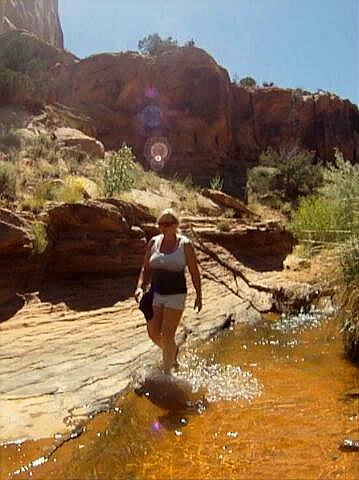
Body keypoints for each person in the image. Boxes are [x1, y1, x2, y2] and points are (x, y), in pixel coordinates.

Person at [135, 208, 202, 373]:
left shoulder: (185, 245)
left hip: (176, 295)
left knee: (167, 334)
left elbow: (194, 271)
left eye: (168, 223)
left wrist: (199, 295)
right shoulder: (153, 242)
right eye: (161, 224)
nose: (163, 227)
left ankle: (167, 374)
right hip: (156, 293)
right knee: (152, 332)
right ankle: (172, 351)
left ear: (176, 225)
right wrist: (140, 286)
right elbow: (145, 268)